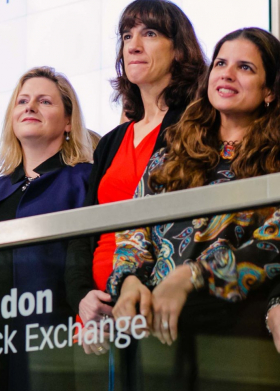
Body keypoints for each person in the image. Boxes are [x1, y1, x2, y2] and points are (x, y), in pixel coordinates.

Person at [110, 28, 280, 344]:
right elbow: (133, 230)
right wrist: (130, 279)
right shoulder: (172, 153)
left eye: (245, 67)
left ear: (269, 90)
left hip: (234, 336)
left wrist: (191, 276)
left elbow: (273, 245)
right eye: (220, 64)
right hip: (152, 332)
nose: (227, 75)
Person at [64, 0, 207, 340]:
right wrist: (82, 297)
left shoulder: (198, 127)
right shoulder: (112, 141)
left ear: (179, 50)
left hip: (155, 303)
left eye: (150, 33)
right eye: (127, 36)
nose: (134, 46)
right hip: (96, 314)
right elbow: (83, 232)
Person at [0, 67, 93, 389]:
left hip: (51, 337)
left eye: (44, 101)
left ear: (69, 121)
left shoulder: (84, 180)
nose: (30, 107)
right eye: (22, 101)